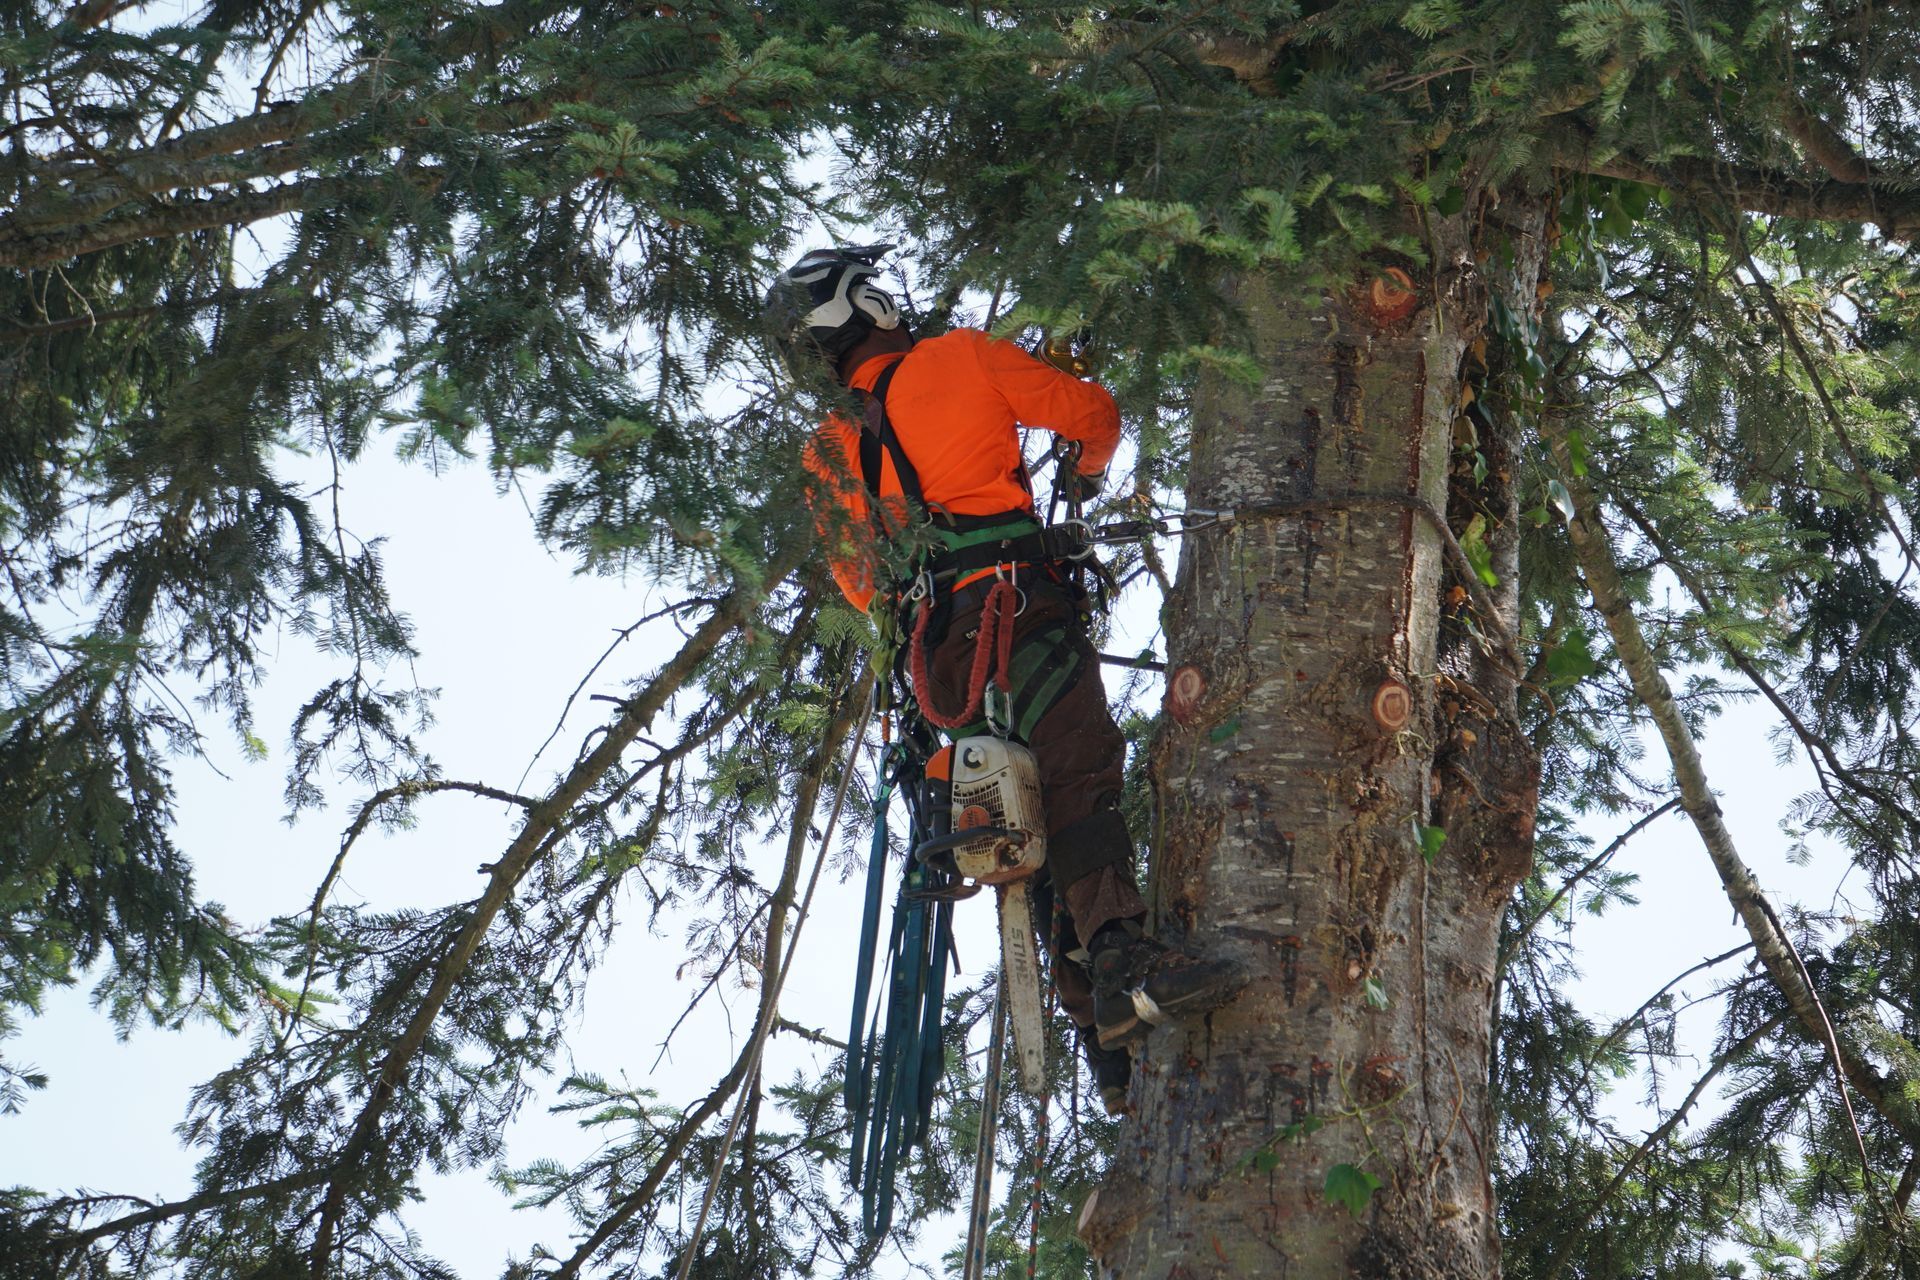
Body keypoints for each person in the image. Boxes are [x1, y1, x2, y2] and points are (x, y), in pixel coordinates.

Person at [763, 244, 1236, 1111]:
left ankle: (1108, 1039)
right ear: (865, 305)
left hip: (939, 661)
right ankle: (1126, 961)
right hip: (1017, 610)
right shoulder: (959, 358)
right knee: (1078, 773)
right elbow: (1094, 416)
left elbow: (863, 584)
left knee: (1029, 817)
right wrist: (1081, 479)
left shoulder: (827, 452)